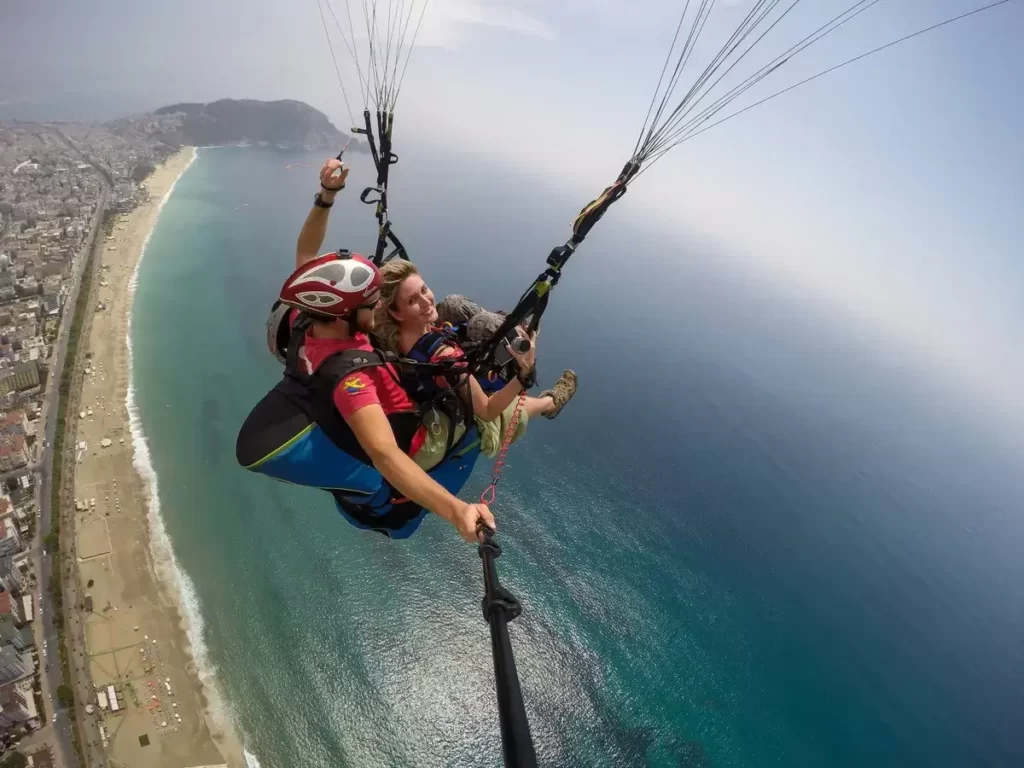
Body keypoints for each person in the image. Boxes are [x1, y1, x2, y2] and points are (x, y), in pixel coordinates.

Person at [238, 157, 495, 543]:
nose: (377, 305)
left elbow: (306, 254)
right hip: (412, 435)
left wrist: (327, 195)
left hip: (382, 386)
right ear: (345, 314)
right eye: (370, 302)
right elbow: (385, 454)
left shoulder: (308, 319)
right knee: (489, 400)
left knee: (452, 319)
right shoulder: (352, 380)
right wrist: (459, 513)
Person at [372, 260, 578, 466]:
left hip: (424, 375)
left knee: (453, 303)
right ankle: (551, 403)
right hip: (436, 412)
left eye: (424, 289)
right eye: (412, 300)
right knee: (512, 408)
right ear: (396, 313)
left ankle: (504, 328)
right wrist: (526, 372)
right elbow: (487, 411)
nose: (426, 301)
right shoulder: (446, 356)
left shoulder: (386, 329)